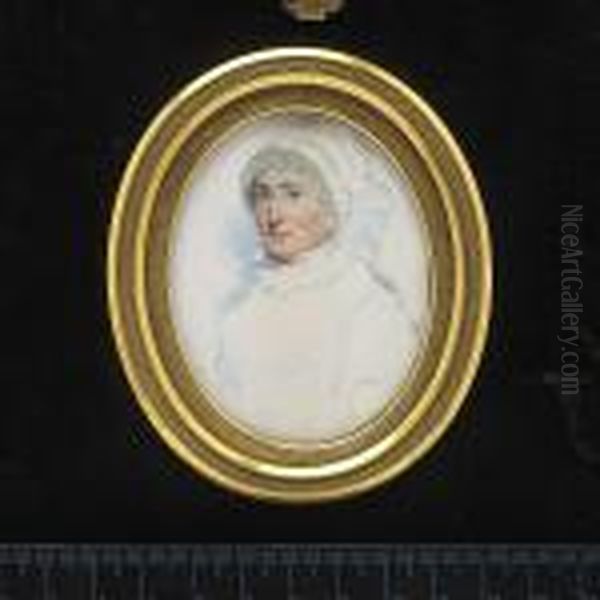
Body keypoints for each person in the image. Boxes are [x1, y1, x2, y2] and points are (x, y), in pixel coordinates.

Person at [213, 145, 419, 442]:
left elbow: (372, 424)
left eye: (293, 194)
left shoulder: (369, 305)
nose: (273, 214)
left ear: (332, 208)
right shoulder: (239, 315)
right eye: (262, 195)